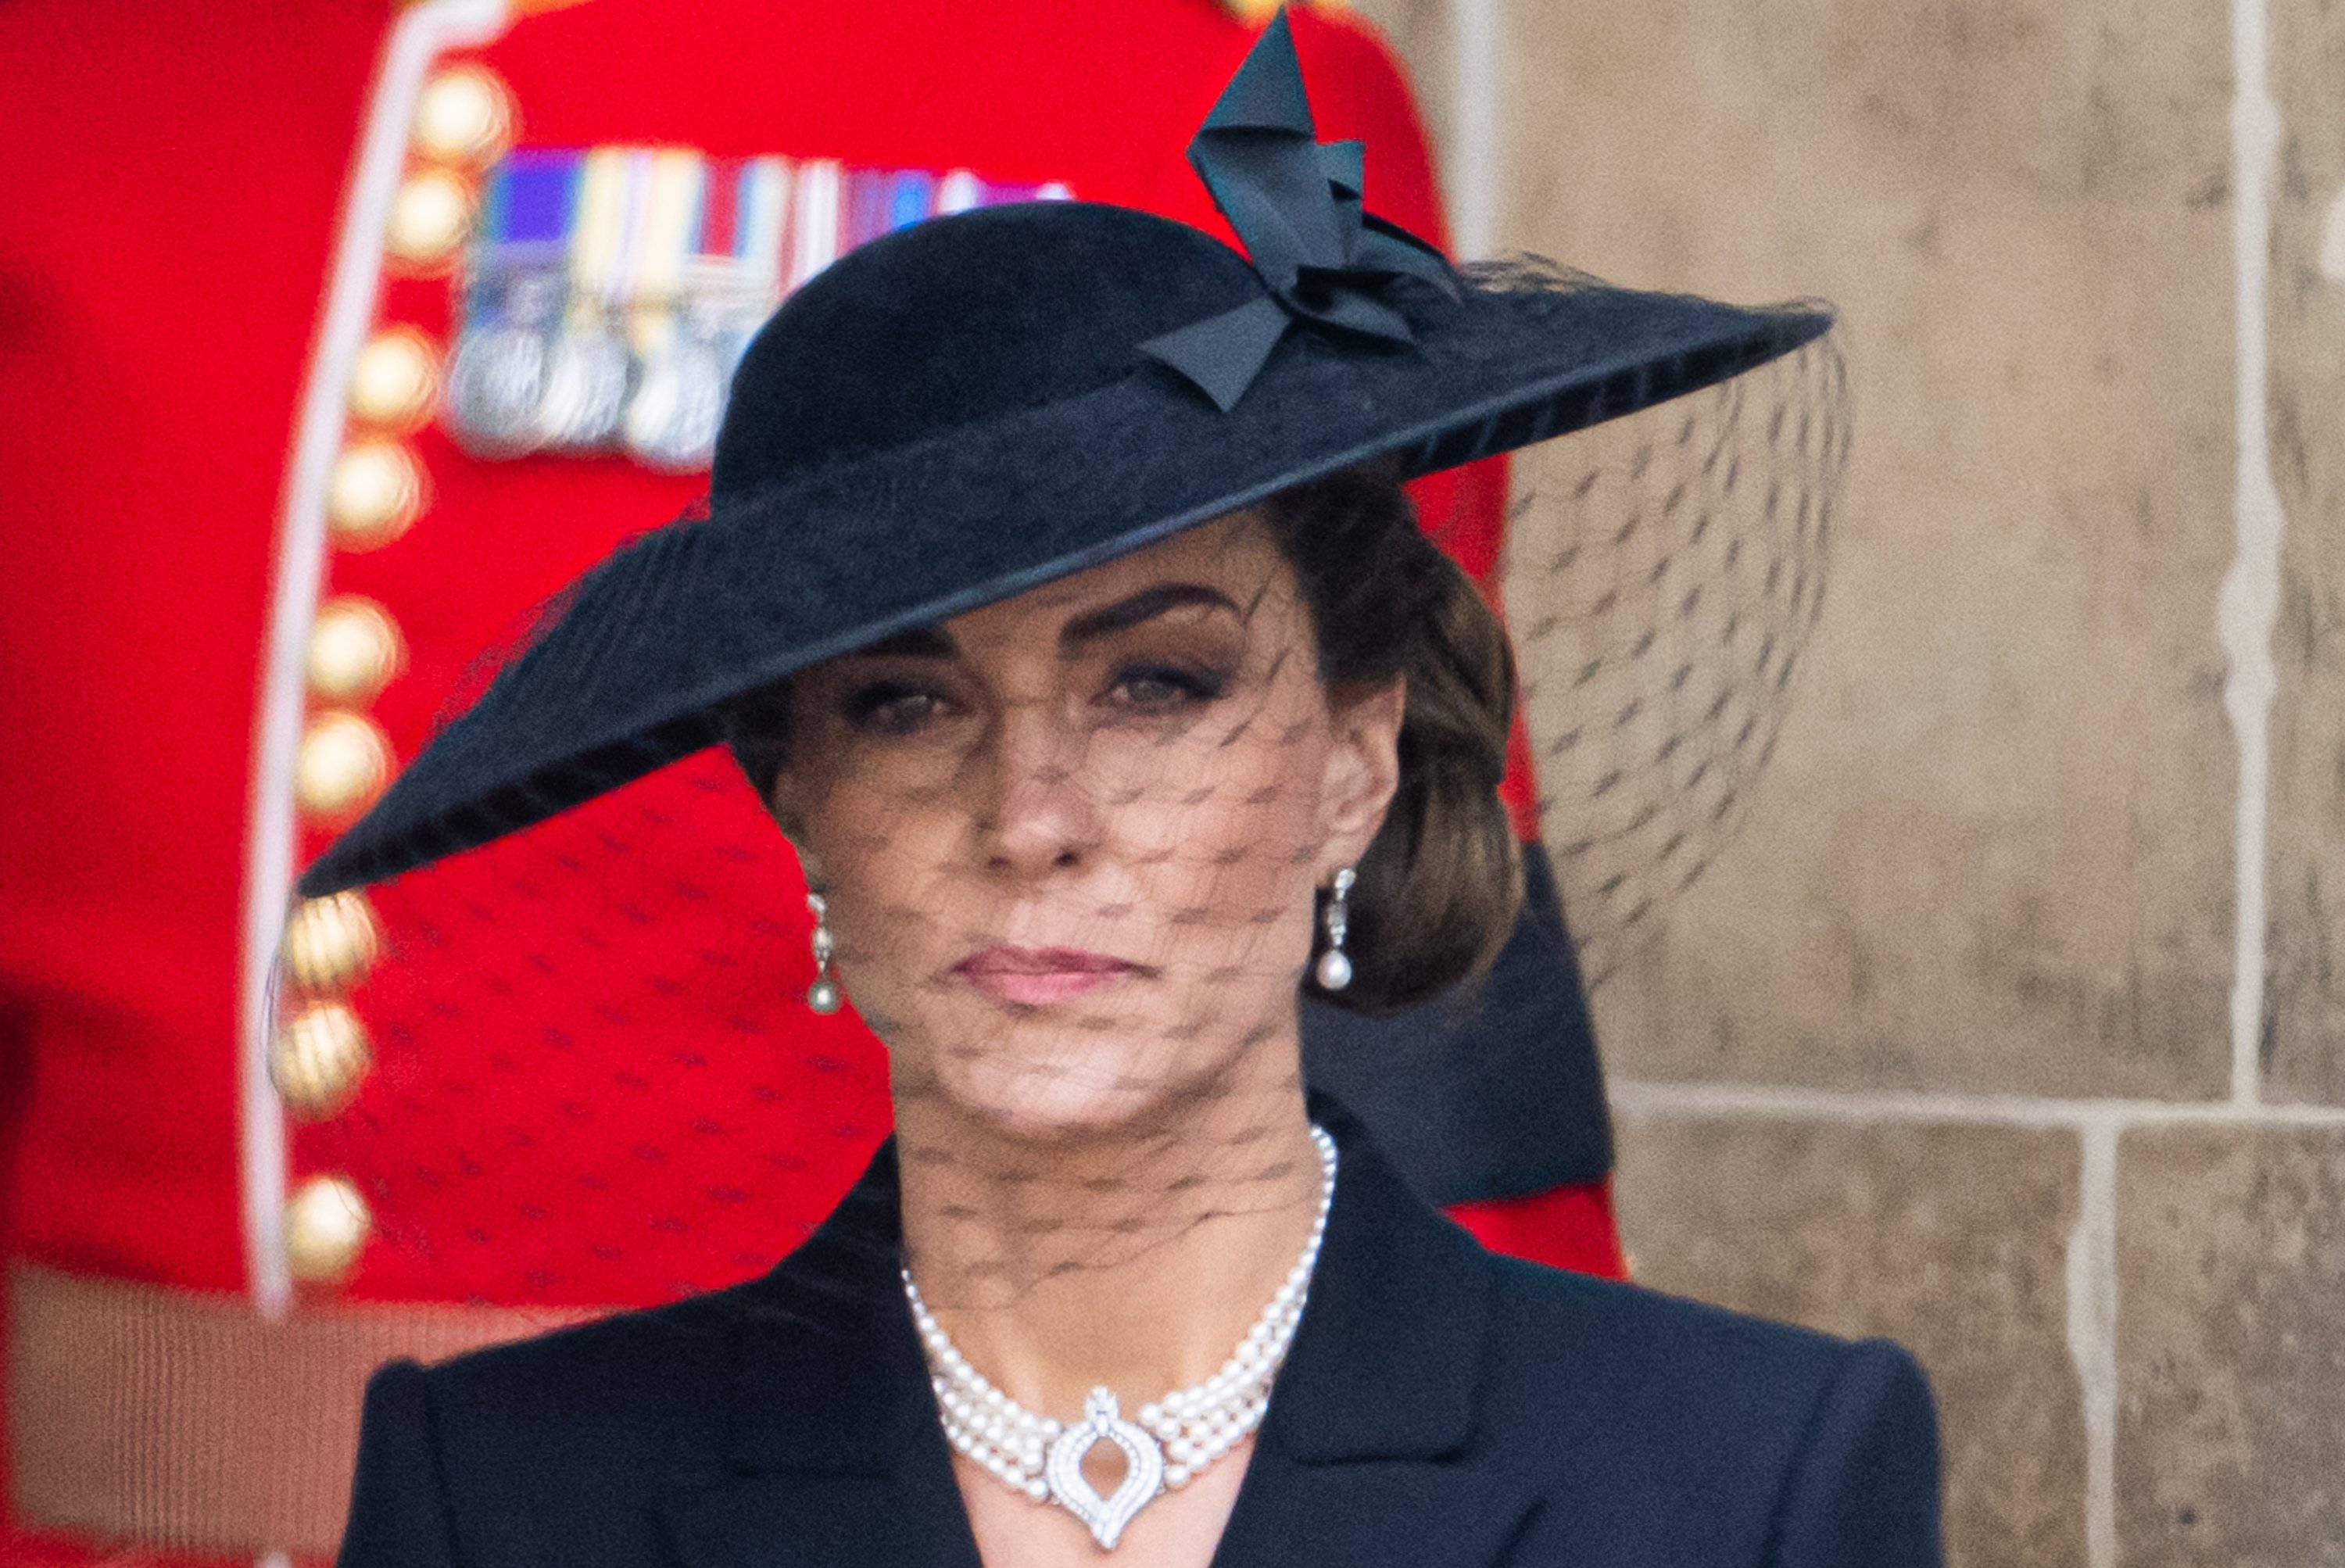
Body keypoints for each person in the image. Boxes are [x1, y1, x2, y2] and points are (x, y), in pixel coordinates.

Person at [327, 16, 1940, 1566]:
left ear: (1354, 764)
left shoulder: (1741, 1481)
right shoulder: (503, 1499)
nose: (1032, 815)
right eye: (906, 703)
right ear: (798, 797)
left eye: (1157, 686)